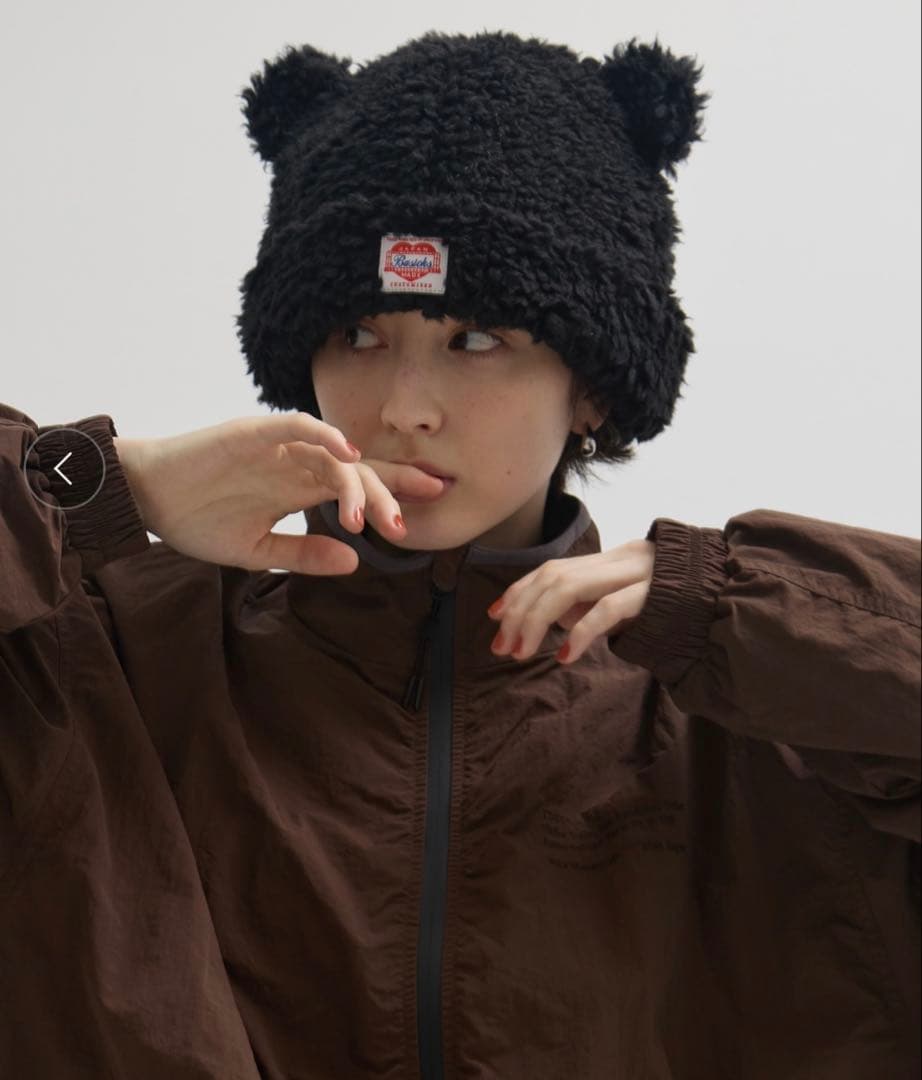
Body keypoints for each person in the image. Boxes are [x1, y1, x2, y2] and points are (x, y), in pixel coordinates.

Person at [0, 29, 918, 1079]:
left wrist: (745, 609)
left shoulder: (754, 723)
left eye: (474, 340)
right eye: (358, 335)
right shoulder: (102, 661)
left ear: (593, 387)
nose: (405, 407)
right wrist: (100, 489)